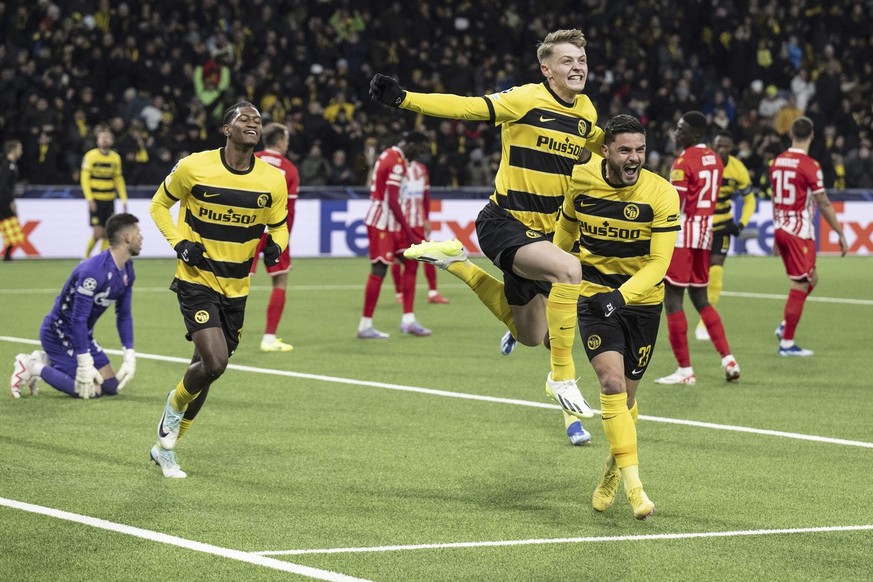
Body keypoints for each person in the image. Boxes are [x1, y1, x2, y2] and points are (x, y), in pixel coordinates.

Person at [371, 29, 599, 441]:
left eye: (581, 60)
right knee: (570, 272)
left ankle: (457, 264)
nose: (577, 67)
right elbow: (465, 108)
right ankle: (565, 390)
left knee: (534, 336)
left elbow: (600, 145)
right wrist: (405, 99)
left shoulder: (587, 113)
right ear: (546, 70)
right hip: (504, 224)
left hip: (546, 237)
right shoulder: (525, 99)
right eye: (567, 61)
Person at [148, 102, 289, 478]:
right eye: (244, 119)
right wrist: (179, 243)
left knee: (208, 369)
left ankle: (167, 449)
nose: (253, 124)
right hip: (197, 279)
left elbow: (279, 226)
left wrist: (278, 244)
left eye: (257, 121)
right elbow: (160, 205)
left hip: (237, 286)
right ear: (226, 129)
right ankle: (172, 411)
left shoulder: (272, 179)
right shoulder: (195, 166)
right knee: (215, 362)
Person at [554, 114, 680, 519]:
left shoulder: (661, 193)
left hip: (640, 303)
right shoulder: (580, 181)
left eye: (640, 150)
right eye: (625, 150)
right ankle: (635, 489)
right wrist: (547, 286)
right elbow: (563, 239)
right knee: (610, 383)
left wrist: (621, 297)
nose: (634, 158)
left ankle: (611, 467)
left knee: (627, 400)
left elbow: (659, 264)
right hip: (593, 298)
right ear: (605, 150)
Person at [9, 213, 142, 399]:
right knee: (91, 391)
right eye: (138, 232)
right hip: (58, 333)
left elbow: (124, 315)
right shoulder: (92, 272)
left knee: (111, 386)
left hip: (82, 334)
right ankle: (31, 366)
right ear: (127, 237)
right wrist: (84, 360)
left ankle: (47, 359)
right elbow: (78, 318)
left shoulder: (127, 270)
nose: (141, 237)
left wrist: (129, 353)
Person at [655, 111, 740, 386]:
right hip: (705, 235)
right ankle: (728, 359)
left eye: (681, 129)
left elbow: (675, 206)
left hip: (682, 237)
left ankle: (684, 371)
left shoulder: (683, 161)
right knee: (701, 299)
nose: (676, 133)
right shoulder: (715, 159)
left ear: (695, 133)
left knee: (673, 301)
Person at [770, 116, 848, 356]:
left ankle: (786, 325)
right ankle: (786, 343)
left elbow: (775, 198)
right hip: (799, 232)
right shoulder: (810, 165)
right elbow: (823, 201)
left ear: (791, 134)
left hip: (782, 228)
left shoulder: (777, 162)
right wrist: (839, 232)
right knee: (801, 283)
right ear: (812, 135)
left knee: (811, 279)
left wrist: (776, 233)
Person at [357, 131, 432, 339]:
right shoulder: (398, 163)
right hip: (383, 221)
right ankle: (365, 325)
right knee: (379, 268)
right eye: (419, 149)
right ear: (409, 144)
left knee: (410, 261)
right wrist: (409, 231)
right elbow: (392, 199)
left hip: (390, 221)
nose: (419, 154)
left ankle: (408, 319)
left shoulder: (390, 155)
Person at [695, 130, 757, 341]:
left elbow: (750, 200)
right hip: (699, 225)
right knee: (694, 277)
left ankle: (704, 323)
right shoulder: (701, 162)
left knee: (716, 274)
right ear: (713, 144)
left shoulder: (737, 168)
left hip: (722, 226)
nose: (722, 149)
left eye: (726, 146)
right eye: (719, 144)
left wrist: (741, 224)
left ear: (732, 148)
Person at [250, 122, 299, 352]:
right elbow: (290, 210)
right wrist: (284, 240)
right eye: (287, 140)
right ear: (279, 141)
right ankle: (269, 338)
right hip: (273, 231)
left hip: (246, 229)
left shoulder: (250, 159)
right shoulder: (289, 169)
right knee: (280, 280)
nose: (287, 144)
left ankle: (224, 331)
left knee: (237, 281)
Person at [390, 158, 450, 306]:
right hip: (400, 222)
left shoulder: (422, 169)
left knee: (428, 255)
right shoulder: (397, 168)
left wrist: (426, 218)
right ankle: (399, 293)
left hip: (417, 222)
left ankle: (433, 293)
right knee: (398, 258)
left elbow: (426, 196)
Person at [81, 126, 128, 258]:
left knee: (107, 234)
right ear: (97, 141)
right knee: (97, 234)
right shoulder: (90, 156)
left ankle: (101, 260)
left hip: (109, 200)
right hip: (96, 200)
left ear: (112, 141)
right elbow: (84, 178)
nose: (105, 140)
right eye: (102, 138)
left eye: (107, 138)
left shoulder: (115, 158)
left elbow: (118, 179)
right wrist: (89, 198)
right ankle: (85, 258)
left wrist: (124, 199)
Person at [0, 140, 24, 261]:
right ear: (12, 150)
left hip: (4, 200)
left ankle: (7, 255)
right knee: (10, 226)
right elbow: (3, 186)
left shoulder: (11, 165)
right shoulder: (8, 165)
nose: (21, 151)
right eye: (19, 149)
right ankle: (7, 256)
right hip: (3, 201)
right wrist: (10, 202)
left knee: (10, 227)